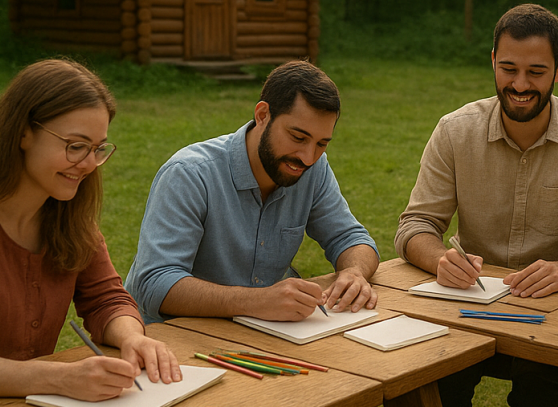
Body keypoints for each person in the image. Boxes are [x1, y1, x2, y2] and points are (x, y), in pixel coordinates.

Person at [0, 59, 179, 402]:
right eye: (75, 146)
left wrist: (133, 337)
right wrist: (60, 378)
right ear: (24, 132)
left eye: (98, 149)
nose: (87, 164)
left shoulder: (67, 211)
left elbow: (105, 299)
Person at [394, 3, 558, 406]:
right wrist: (440, 260)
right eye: (508, 69)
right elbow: (415, 225)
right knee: (418, 387)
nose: (520, 84)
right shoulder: (455, 131)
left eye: (536, 72)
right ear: (492, 62)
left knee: (539, 394)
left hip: (553, 311)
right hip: (465, 305)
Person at [124, 60, 379, 324]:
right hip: (171, 340)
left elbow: (350, 237)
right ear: (262, 115)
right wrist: (257, 301)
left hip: (259, 333)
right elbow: (154, 284)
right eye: (298, 137)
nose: (308, 157)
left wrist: (355, 272)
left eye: (322, 144)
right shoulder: (189, 174)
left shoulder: (311, 168)